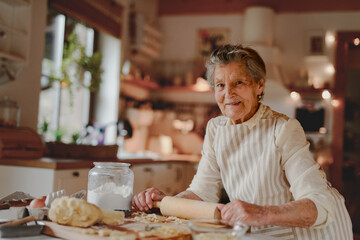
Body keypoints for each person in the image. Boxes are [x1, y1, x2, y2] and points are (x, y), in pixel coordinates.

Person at [132, 44, 353, 239]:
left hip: (310, 233)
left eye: (238, 83)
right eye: (220, 85)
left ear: (259, 86)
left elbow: (321, 204)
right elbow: (202, 192)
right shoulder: (216, 129)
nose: (228, 93)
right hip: (255, 231)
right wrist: (165, 202)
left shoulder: (283, 129)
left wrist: (262, 212)